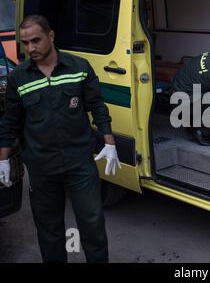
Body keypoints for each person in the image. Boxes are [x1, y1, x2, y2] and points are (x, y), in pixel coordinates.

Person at [0, 15, 121, 263]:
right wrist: (3, 159)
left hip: (80, 162)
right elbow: (10, 122)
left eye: (36, 40)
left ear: (51, 36)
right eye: (25, 43)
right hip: (41, 165)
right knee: (49, 229)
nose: (30, 48)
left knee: (92, 223)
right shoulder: (18, 78)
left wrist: (109, 143)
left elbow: (97, 106)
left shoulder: (79, 67)